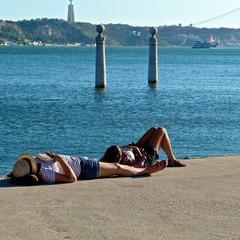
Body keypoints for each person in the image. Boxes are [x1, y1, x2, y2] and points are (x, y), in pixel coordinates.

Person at [9, 152, 167, 185]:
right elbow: (71, 179)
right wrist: (60, 160)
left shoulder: (39, 162)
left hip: (82, 162)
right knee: (117, 167)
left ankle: (138, 167)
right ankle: (145, 170)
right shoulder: (46, 174)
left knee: (116, 167)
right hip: (85, 169)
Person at [101, 127, 186, 168]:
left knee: (153, 129)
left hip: (136, 151)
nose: (122, 151)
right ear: (119, 158)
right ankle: (172, 159)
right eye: (121, 153)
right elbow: (137, 164)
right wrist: (136, 150)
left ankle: (171, 159)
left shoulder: (110, 156)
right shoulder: (125, 162)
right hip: (146, 157)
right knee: (161, 131)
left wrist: (126, 147)